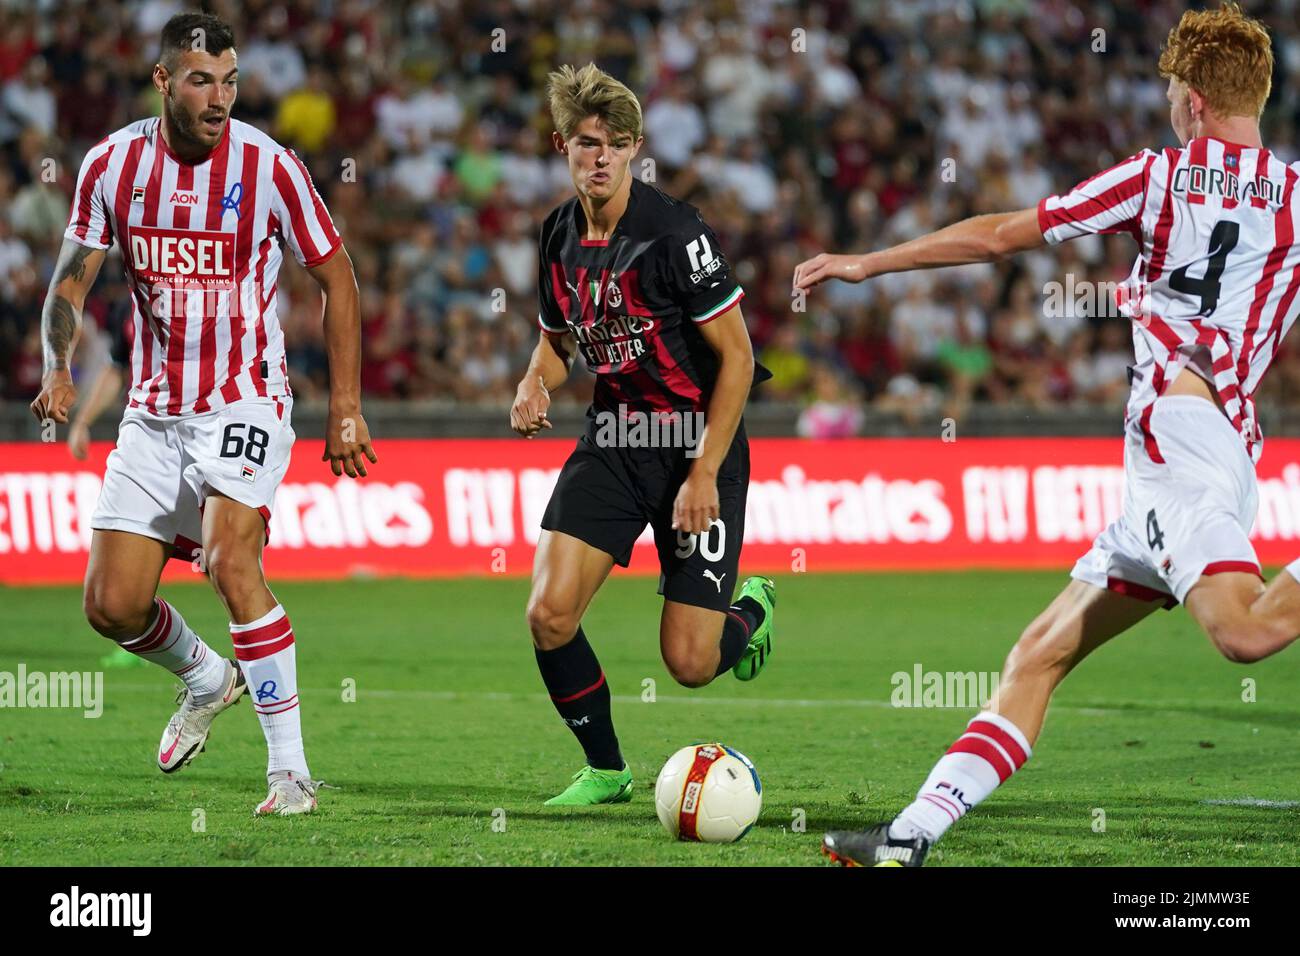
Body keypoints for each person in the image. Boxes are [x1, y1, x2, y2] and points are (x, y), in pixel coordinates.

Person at [794, 2, 1300, 866]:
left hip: (1177, 445)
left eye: (1176, 90)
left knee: (1242, 632)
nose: (1172, 104)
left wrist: (866, 261)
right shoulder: (1296, 196)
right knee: (1037, 655)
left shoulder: (1156, 176)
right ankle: (909, 837)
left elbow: (998, 236)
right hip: (1205, 454)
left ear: (1196, 105)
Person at [29, 12, 377, 816]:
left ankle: (289, 772)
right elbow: (70, 282)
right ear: (162, 80)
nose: (219, 98)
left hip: (245, 395)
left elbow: (340, 280)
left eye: (229, 82)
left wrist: (347, 407)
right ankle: (205, 676)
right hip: (152, 413)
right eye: (200, 80)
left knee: (229, 560)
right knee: (111, 607)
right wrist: (57, 363)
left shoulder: (271, 166)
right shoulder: (112, 166)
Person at [511, 63, 775, 806]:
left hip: (698, 446)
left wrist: (702, 474)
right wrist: (533, 383)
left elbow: (739, 358)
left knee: (690, 662)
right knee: (548, 614)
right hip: (616, 440)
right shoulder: (556, 236)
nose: (600, 158)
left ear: (633, 151)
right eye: (587, 143)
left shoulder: (675, 233)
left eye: (615, 145)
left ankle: (749, 610)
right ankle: (606, 768)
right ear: (562, 144)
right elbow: (556, 346)